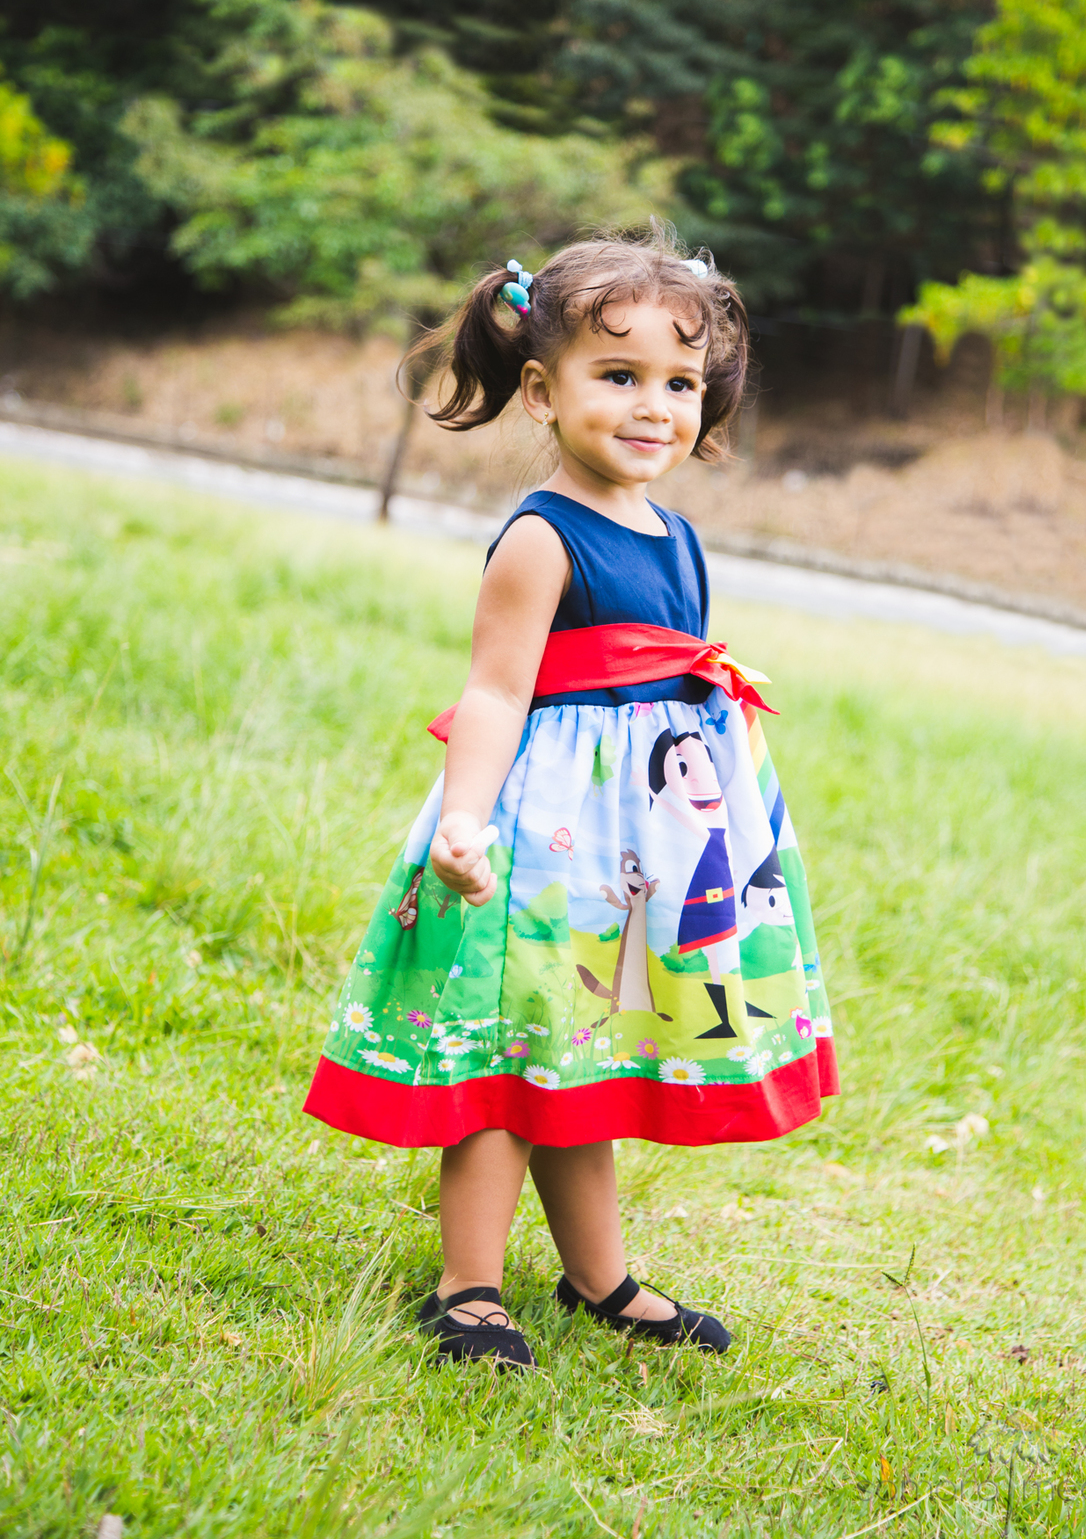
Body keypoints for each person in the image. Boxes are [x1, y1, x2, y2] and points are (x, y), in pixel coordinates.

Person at [303, 233, 838, 1370]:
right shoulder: (544, 537)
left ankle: (600, 1278)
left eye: (679, 384)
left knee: (581, 1057)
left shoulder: (675, 532)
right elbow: (496, 691)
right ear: (543, 393)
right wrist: (464, 820)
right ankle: (468, 1286)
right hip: (543, 839)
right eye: (619, 375)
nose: (654, 407)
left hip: (639, 848)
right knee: (512, 1056)